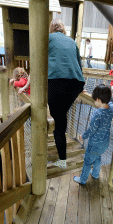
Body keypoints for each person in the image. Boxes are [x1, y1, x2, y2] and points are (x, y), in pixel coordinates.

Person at [48, 19, 85, 169]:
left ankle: (62, 160)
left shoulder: (48, 38)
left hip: (56, 81)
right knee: (61, 117)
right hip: (76, 84)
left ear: (51, 28)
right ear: (63, 29)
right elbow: (79, 64)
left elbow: (38, 61)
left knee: (59, 121)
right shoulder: (72, 42)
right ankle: (62, 158)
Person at [73, 84, 113, 185]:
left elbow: (91, 130)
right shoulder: (111, 108)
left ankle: (82, 180)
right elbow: (110, 101)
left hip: (94, 144)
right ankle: (95, 174)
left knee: (87, 161)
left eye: (94, 99)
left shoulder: (97, 114)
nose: (94, 101)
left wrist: (82, 136)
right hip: (104, 143)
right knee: (98, 157)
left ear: (99, 100)